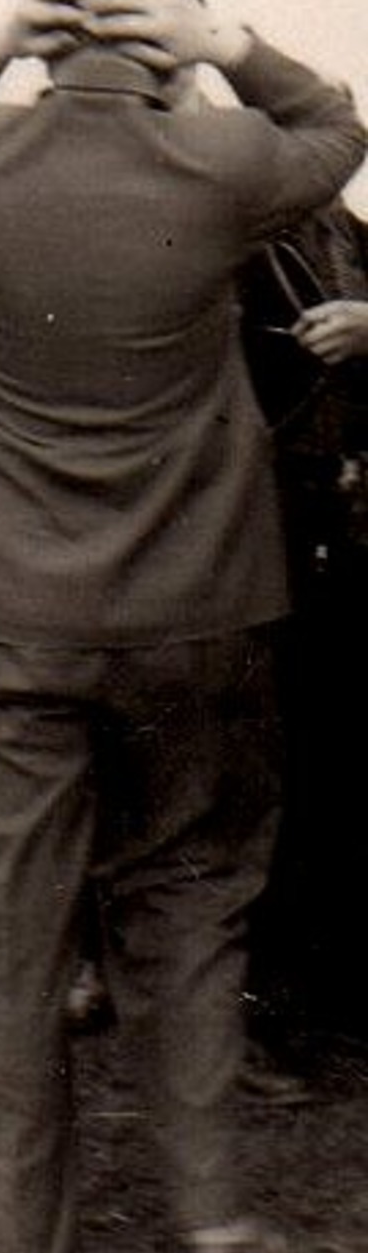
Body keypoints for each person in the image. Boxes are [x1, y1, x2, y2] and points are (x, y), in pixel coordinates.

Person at [0, 0, 365, 1253]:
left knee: (7, 946)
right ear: (164, 31)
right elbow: (335, 122)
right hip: (196, 620)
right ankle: (211, 1248)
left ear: (51, 28)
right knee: (190, 920)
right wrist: (221, 45)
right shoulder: (219, 169)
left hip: (10, 631)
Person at [242, 202, 368, 1053]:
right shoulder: (233, 233)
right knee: (264, 759)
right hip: (257, 518)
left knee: (340, 752)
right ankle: (272, 999)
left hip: (346, 519)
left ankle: (335, 986)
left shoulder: (353, 238)